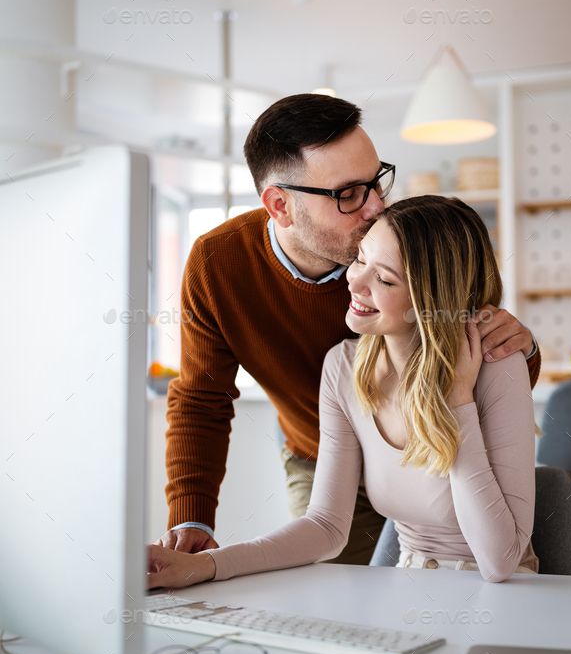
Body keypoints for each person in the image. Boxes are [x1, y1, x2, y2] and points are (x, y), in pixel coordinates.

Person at [156, 93, 541, 566]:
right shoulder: (219, 264)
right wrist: (192, 523)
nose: (377, 206)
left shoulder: (389, 247)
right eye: (349, 193)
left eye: (377, 181)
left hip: (433, 448)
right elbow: (201, 397)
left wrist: (520, 350)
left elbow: (467, 355)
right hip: (318, 453)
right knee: (333, 592)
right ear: (280, 205)